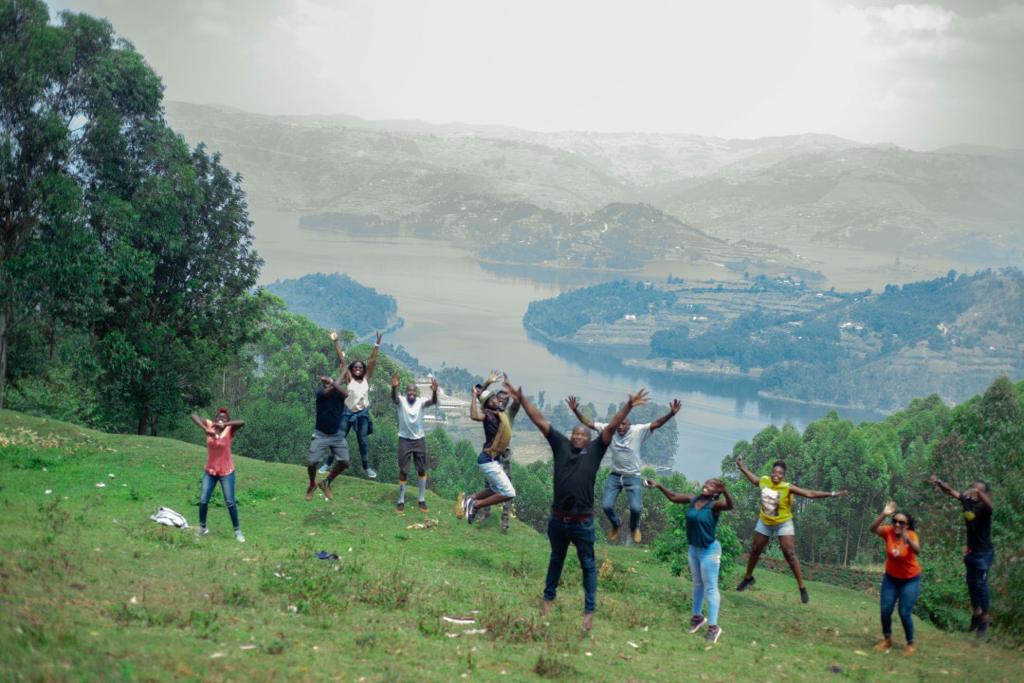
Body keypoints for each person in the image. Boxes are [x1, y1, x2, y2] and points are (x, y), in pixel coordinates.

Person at [506, 380, 648, 631]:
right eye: (576, 433)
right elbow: (540, 421)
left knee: (588, 566)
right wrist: (522, 398)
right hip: (559, 522)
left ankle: (589, 612)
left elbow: (613, 425)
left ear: (590, 438)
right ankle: (548, 601)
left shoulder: (596, 450)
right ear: (571, 436)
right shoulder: (560, 445)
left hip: (583, 523)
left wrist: (628, 406)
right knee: (556, 560)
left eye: (583, 434)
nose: (579, 436)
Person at [567, 396, 682, 544]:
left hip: (633, 476)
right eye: (619, 424)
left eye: (624, 424)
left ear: (630, 424)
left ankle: (634, 528)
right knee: (606, 506)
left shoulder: (638, 431)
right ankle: (616, 524)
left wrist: (671, 414)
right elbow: (588, 423)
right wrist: (575, 410)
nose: (620, 427)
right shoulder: (610, 428)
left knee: (635, 508)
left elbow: (657, 424)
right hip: (615, 476)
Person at [734, 457, 848, 603]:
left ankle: (802, 587)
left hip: (783, 523)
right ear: (771, 472)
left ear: (783, 476)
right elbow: (754, 480)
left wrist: (832, 494)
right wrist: (741, 467)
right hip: (765, 521)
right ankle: (748, 578)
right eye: (774, 472)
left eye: (780, 474)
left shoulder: (787, 487)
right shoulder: (764, 480)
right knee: (755, 548)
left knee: (790, 553)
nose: (776, 475)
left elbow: (810, 494)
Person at [646, 477, 733, 643]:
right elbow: (673, 497)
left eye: (712, 485)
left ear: (716, 492)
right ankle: (697, 618)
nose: (707, 485)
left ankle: (714, 628)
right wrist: (659, 485)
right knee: (698, 585)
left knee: (711, 588)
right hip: (694, 549)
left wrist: (725, 490)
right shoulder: (693, 499)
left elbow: (730, 505)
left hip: (709, 551)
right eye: (706, 482)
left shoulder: (715, 506)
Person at [927, 475, 995, 637]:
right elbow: (951, 491)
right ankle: (976, 614)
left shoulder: (985, 509)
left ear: (984, 493)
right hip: (971, 552)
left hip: (984, 553)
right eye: (974, 488)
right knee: (971, 584)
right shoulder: (967, 501)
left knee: (981, 584)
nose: (974, 492)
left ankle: (984, 619)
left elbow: (991, 507)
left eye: (979, 490)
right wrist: (939, 482)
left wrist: (980, 494)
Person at [456, 372, 521, 525]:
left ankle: (471, 499)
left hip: (495, 458)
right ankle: (476, 505)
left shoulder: (503, 414)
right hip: (489, 459)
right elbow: (476, 409)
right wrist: (475, 396)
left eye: (503, 400)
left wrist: (490, 383)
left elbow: (483, 396)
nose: (499, 402)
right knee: (509, 492)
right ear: (490, 403)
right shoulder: (488, 415)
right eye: (496, 399)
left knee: (494, 488)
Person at [869, 501, 922, 656]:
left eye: (902, 522)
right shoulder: (888, 532)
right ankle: (887, 639)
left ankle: (910, 643)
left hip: (910, 579)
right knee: (885, 610)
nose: (897, 524)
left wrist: (908, 539)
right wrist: (884, 514)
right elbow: (872, 529)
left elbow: (917, 550)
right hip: (891, 579)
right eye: (895, 521)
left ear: (907, 525)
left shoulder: (912, 535)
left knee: (904, 612)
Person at [329, 330, 381, 478]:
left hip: (362, 414)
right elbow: (341, 358)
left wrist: (377, 344)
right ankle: (328, 462)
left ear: (363, 370)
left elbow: (372, 361)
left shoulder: (366, 379)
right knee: (339, 437)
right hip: (347, 412)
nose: (358, 369)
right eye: (355, 368)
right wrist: (335, 342)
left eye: (360, 368)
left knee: (363, 441)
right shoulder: (349, 379)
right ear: (352, 370)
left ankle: (366, 467)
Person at [191, 408, 246, 542]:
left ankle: (237, 531)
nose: (221, 419)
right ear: (215, 419)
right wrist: (205, 428)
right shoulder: (210, 425)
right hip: (210, 471)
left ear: (228, 420)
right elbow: (193, 415)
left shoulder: (229, 430)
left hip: (227, 472)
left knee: (230, 502)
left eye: (224, 418)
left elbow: (242, 422)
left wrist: (226, 425)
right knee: (203, 500)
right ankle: (202, 527)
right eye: (219, 417)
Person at [392, 373, 438, 513]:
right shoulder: (401, 400)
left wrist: (435, 392)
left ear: (416, 393)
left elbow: (433, 402)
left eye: (413, 391)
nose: (411, 393)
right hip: (404, 440)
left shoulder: (421, 402)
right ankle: (400, 500)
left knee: (422, 469)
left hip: (419, 439)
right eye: (409, 391)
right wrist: (394, 388)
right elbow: (393, 398)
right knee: (403, 471)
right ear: (406, 392)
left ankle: (422, 499)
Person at [306, 365, 349, 501]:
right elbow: (329, 391)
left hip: (336, 435)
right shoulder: (320, 394)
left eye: (328, 383)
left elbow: (347, 394)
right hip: (320, 434)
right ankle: (312, 484)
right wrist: (340, 374)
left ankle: (327, 482)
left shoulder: (340, 394)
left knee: (345, 462)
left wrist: (336, 378)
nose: (327, 385)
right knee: (312, 463)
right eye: (325, 383)